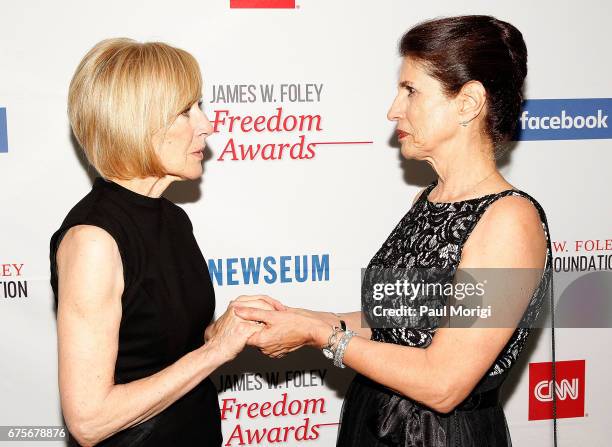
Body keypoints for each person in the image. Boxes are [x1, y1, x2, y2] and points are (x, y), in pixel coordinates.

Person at [231, 15, 553, 446]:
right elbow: (395, 323)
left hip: (439, 436)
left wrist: (321, 335)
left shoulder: (510, 221)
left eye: (411, 91)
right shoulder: (428, 199)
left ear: (468, 102)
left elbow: (444, 383)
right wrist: (296, 318)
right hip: (375, 419)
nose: (393, 109)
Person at [49, 38, 282, 446]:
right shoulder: (93, 240)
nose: (207, 124)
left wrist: (219, 333)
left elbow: (157, 351)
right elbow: (89, 421)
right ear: (138, 123)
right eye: (185, 111)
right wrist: (214, 353)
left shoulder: (172, 218)